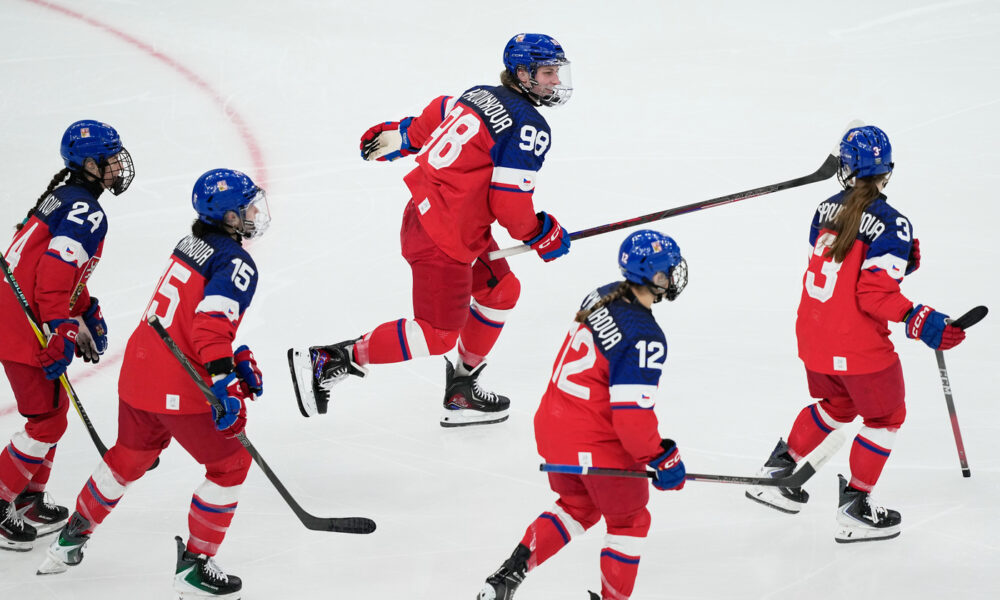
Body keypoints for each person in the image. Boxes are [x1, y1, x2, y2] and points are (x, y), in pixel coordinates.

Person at [288, 33, 573, 427]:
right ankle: (332, 359)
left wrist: (405, 134)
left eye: (557, 71)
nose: (555, 81)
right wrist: (540, 233)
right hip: (445, 238)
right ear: (522, 73)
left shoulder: (479, 93)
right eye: (547, 72)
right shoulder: (529, 126)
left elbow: (442, 110)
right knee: (438, 334)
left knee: (500, 290)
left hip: (436, 218)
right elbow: (508, 204)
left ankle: (462, 389)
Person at [36, 169, 270, 600]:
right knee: (230, 465)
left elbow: (189, 320)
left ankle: (69, 539)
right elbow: (208, 326)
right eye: (249, 207)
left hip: (139, 369)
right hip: (178, 382)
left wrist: (231, 361)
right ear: (231, 217)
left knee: (131, 454)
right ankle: (195, 568)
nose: (257, 212)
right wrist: (226, 380)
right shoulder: (236, 261)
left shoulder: (191, 243)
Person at [744, 125, 968, 543]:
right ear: (888, 170)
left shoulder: (824, 208)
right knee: (885, 417)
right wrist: (923, 320)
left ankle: (778, 469)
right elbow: (873, 293)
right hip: (857, 344)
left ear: (844, 170)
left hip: (813, 336)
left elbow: (843, 267)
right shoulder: (891, 223)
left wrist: (903, 263)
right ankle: (856, 507)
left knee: (836, 403)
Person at [477, 230, 689, 600]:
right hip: (596, 442)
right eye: (669, 270)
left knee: (579, 505)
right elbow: (631, 420)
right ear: (656, 277)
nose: (674, 275)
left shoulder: (602, 292)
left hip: (552, 427)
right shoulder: (645, 336)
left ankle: (509, 574)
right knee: (629, 520)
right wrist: (662, 456)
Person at [0, 119, 134, 551]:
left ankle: (29, 498)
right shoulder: (86, 211)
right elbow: (52, 274)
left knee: (51, 411)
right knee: (47, 421)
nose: (118, 166)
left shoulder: (65, 197)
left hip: (18, 311)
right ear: (91, 165)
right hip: (23, 321)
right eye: (110, 160)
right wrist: (60, 326)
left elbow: (48, 268)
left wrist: (84, 308)